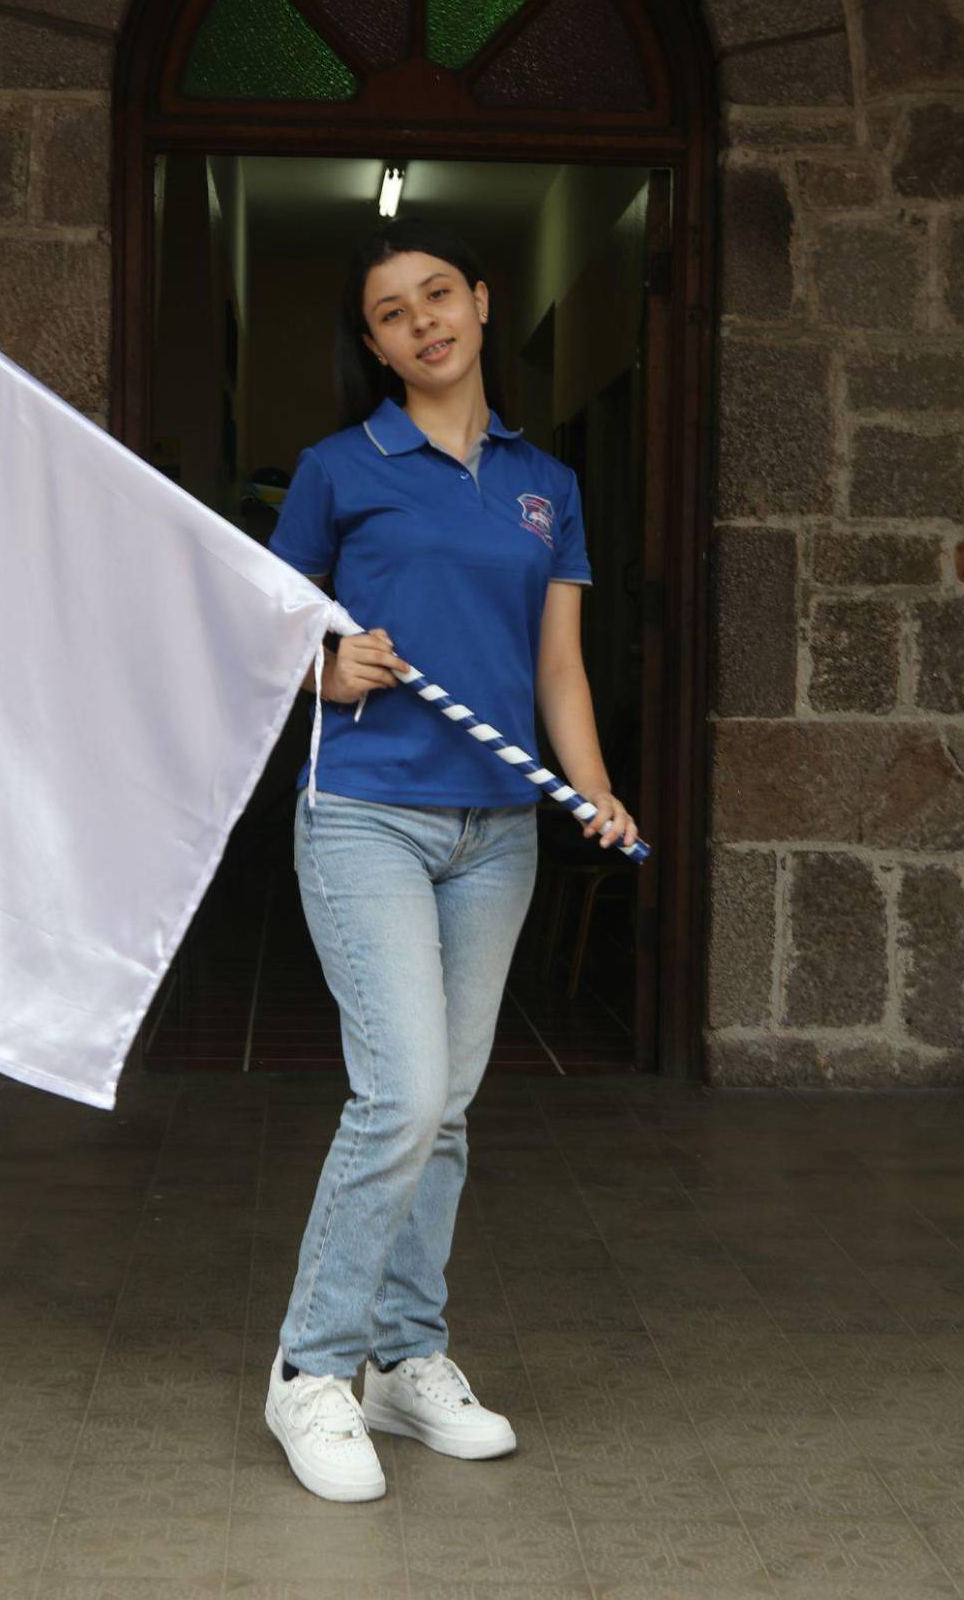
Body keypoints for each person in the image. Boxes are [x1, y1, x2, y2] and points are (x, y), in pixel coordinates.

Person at [262, 217, 639, 1503]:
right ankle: (308, 1369)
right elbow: (256, 636)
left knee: (453, 1108)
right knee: (403, 1091)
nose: (422, 321)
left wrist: (592, 791)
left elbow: (557, 668)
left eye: (439, 295)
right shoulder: (336, 469)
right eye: (390, 313)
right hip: (365, 805)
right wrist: (325, 661)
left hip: (500, 829)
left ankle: (401, 1356)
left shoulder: (549, 481)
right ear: (372, 347)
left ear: (481, 302)